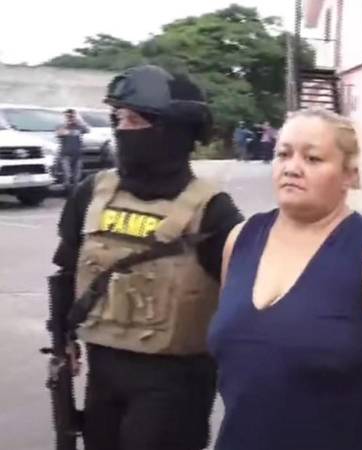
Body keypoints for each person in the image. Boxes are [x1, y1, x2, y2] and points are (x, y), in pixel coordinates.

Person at [207, 108, 362, 450]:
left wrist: (356, 416)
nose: (292, 167)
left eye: (312, 158)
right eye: (283, 154)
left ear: (349, 175)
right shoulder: (241, 239)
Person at [51, 64, 243, 450]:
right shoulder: (93, 193)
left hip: (177, 384)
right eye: (118, 118)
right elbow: (67, 269)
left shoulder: (211, 210)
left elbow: (244, 300)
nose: (122, 129)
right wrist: (61, 341)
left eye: (135, 120)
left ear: (175, 131)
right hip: (103, 375)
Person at [56, 108, 89, 193]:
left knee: (77, 175)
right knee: (67, 174)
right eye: (68, 116)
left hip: (77, 153)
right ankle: (67, 189)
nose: (70, 118)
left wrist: (78, 120)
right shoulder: (62, 125)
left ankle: (75, 191)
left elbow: (87, 130)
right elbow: (59, 133)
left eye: (72, 116)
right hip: (65, 153)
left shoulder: (79, 126)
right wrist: (66, 124)